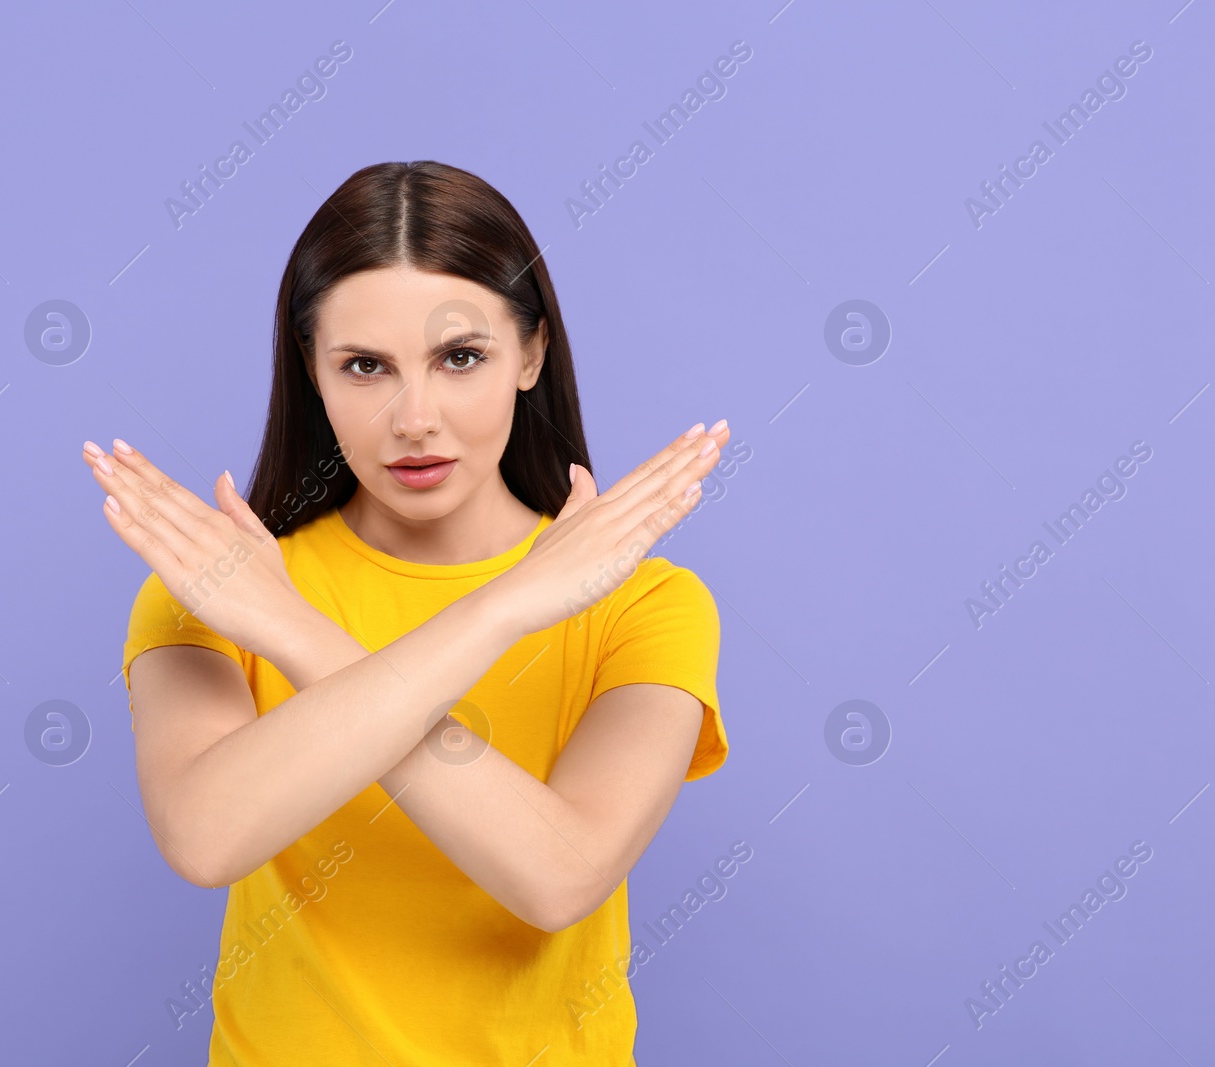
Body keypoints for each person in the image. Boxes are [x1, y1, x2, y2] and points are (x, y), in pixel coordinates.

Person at [81, 161, 732, 1065]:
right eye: (364, 366)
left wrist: (306, 630)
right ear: (312, 369)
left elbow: (557, 875)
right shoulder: (210, 594)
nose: (413, 417)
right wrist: (507, 607)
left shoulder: (649, 605)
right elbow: (206, 836)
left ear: (531, 354)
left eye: (460, 357)